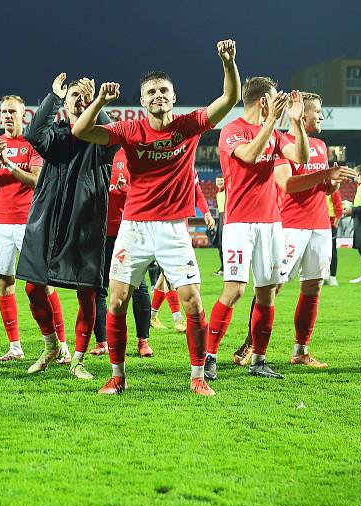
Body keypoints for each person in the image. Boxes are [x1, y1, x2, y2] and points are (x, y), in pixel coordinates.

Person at [74, 40, 240, 396]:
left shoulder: (189, 124)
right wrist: (100, 102)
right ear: (143, 100)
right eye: (151, 91)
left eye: (164, 90)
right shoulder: (130, 130)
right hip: (133, 228)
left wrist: (228, 63)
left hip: (172, 228)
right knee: (117, 299)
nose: (158, 95)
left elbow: (228, 99)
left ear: (174, 96)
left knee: (193, 300)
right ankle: (117, 377)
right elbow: (81, 131)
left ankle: (197, 376)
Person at [204, 78, 356, 381]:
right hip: (239, 223)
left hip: (272, 224)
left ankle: (258, 360)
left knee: (266, 294)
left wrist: (297, 123)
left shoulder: (276, 133)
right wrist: (272, 122)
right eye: (277, 100)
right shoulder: (232, 131)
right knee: (234, 290)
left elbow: (300, 157)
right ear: (263, 101)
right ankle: (208, 356)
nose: (282, 105)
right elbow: (248, 156)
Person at [16, 74, 115, 381]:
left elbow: (111, 131)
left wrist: (97, 103)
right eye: (75, 95)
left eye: (85, 96)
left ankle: (79, 360)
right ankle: (51, 346)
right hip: (46, 220)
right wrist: (54, 97)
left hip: (85, 221)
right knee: (33, 287)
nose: (80, 99)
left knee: (86, 295)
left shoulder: (100, 137)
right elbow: (33, 133)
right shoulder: (55, 136)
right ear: (66, 101)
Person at [0, 94, 71, 362]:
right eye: (4, 112)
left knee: (43, 284)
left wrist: (9, 164)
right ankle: (15, 347)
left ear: (23, 114)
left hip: (29, 222)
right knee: (4, 284)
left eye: (12, 112)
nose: (7, 116)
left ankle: (62, 346)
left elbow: (36, 181)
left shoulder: (31, 144)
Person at [89, 149, 153, 358]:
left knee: (138, 287)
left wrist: (126, 189)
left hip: (127, 233)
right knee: (98, 289)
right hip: (97, 234)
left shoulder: (131, 156)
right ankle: (102, 342)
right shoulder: (92, 156)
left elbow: (146, 191)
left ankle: (143, 340)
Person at [149, 178, 215, 333]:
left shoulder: (190, 167)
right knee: (171, 273)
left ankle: (152, 317)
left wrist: (206, 212)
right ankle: (178, 319)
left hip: (181, 227)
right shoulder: (168, 162)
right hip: (164, 225)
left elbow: (197, 191)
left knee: (165, 275)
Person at [323, 187, 343, 285]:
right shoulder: (319, 188)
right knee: (321, 251)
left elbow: (338, 208)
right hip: (319, 222)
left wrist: (335, 225)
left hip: (330, 223)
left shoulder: (333, 190)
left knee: (332, 250)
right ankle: (324, 275)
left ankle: (333, 277)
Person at [214, 175, 226, 275]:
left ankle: (225, 268)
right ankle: (223, 267)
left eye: (221, 181)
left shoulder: (227, 191)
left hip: (226, 217)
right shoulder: (218, 194)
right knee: (219, 244)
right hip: (221, 217)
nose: (220, 183)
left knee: (224, 244)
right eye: (218, 181)